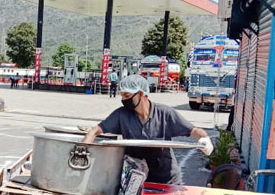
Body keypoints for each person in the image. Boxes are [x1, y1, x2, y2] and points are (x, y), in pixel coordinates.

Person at [83, 75, 214, 185]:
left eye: (127, 95)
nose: (123, 100)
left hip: (167, 180)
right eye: (122, 95)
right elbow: (94, 131)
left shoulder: (165, 114)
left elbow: (194, 130)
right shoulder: (121, 115)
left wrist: (205, 139)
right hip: (135, 180)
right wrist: (83, 151)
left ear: (141, 93)